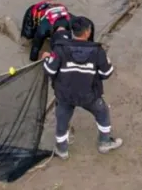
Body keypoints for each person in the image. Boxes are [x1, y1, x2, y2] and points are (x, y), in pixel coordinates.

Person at [42, 17, 122, 159]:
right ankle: (104, 142)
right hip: (89, 95)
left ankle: (62, 150)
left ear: (72, 32)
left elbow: (49, 71)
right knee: (102, 112)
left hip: (65, 95)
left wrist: (47, 57)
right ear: (87, 32)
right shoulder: (98, 51)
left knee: (62, 120)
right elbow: (106, 73)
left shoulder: (59, 48)